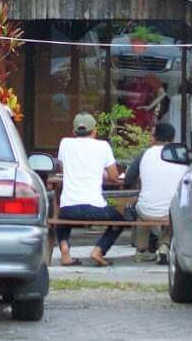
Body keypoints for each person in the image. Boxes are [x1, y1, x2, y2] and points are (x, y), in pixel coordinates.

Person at [56, 111, 124, 267]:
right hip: (96, 208)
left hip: (69, 209)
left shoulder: (65, 143)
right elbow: (114, 177)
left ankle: (65, 248)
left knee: (61, 217)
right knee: (120, 220)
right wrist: (102, 173)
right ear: (95, 131)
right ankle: (99, 250)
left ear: (73, 132)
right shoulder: (103, 146)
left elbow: (63, 166)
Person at [122, 122, 185, 263]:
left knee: (141, 208)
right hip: (172, 211)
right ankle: (164, 246)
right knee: (173, 209)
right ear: (172, 138)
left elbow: (128, 179)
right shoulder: (181, 154)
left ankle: (141, 250)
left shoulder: (144, 154)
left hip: (146, 211)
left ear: (154, 138)